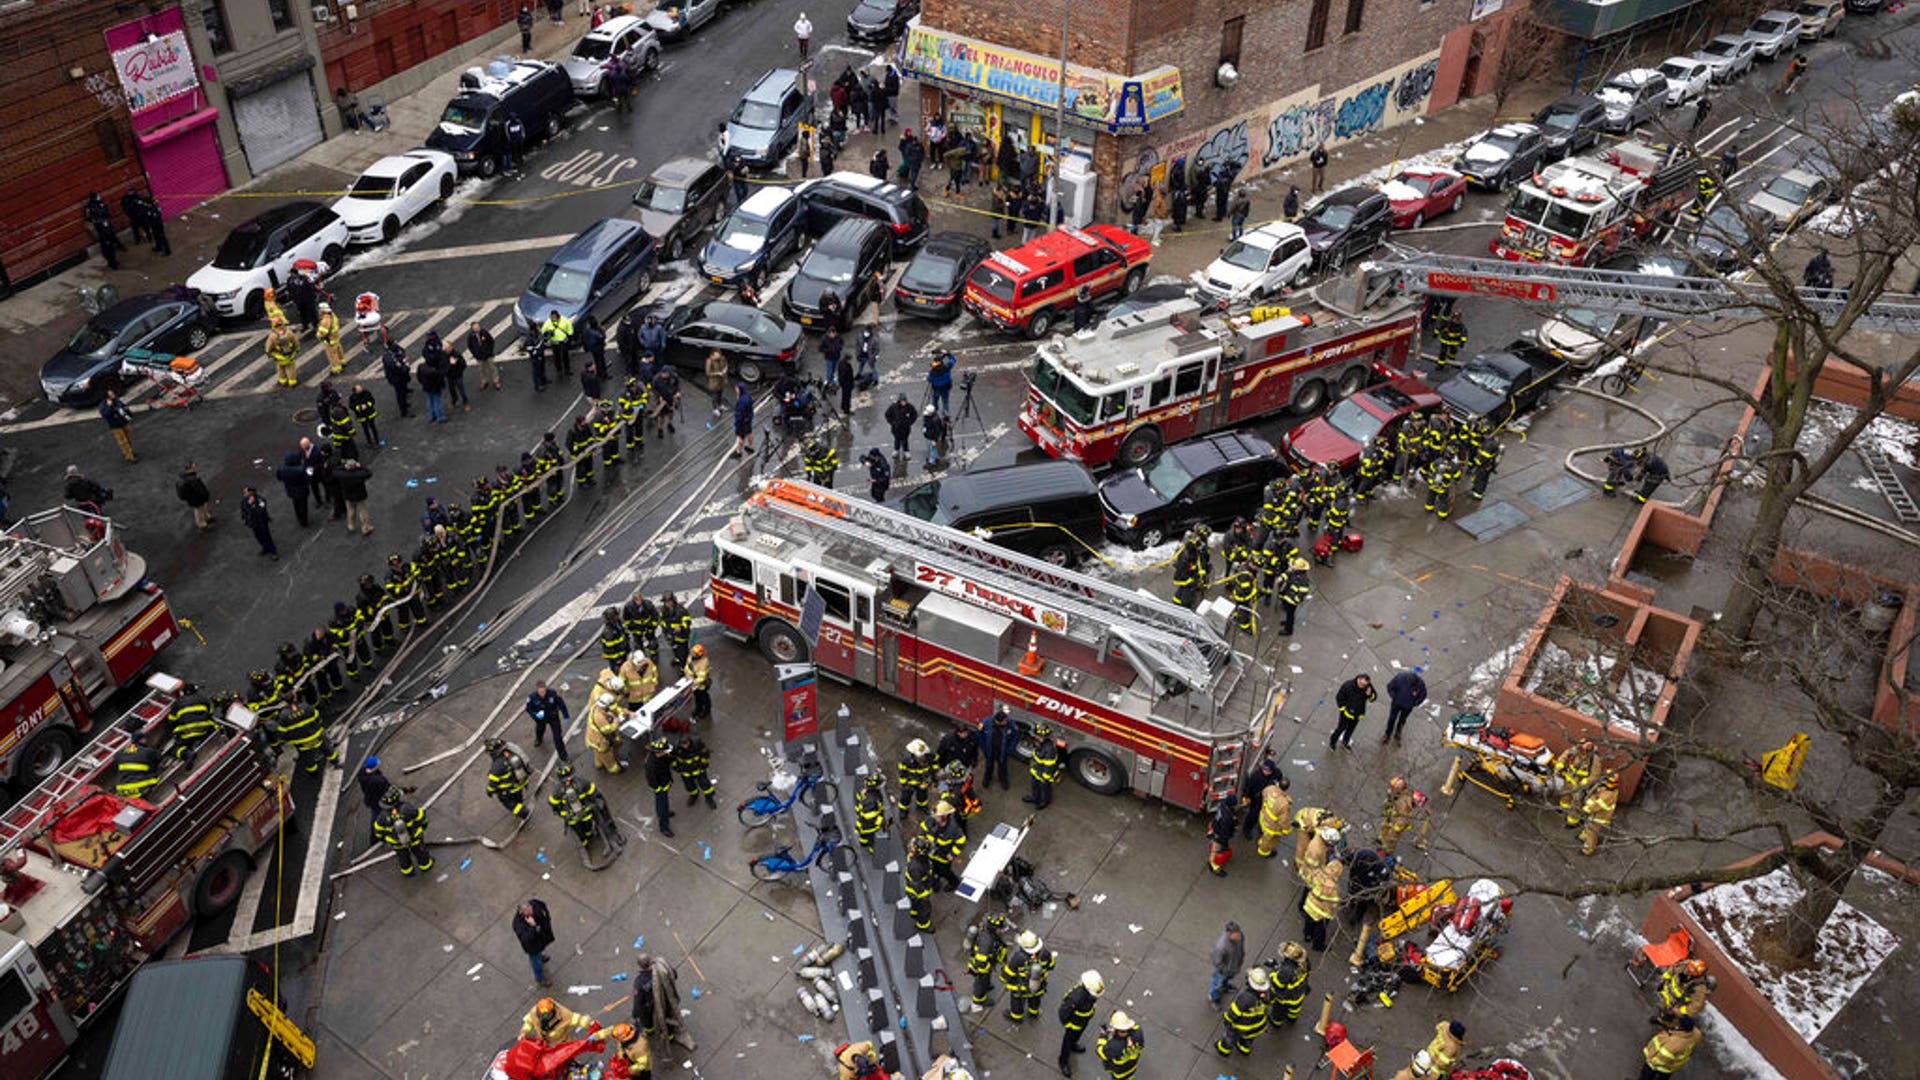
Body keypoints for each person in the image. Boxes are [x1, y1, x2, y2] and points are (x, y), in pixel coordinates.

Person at [373, 787, 433, 875]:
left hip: (396, 843)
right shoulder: (406, 809)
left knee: (403, 857)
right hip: (414, 838)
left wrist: (384, 839)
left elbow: (378, 832)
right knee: (421, 853)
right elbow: (420, 817)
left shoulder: (382, 817)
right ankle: (426, 866)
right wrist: (424, 825)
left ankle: (407, 871)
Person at [1215, 965, 1270, 1056]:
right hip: (1258, 1025)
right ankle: (1244, 1049)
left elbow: (1234, 1012)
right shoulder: (1265, 994)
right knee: (1248, 1039)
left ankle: (1223, 1050)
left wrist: (1227, 1019)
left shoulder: (1246, 998)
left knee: (1230, 1038)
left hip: (1241, 1027)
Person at [1002, 929, 1055, 1023]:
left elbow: (1008, 973)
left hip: (1020, 988)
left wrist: (1003, 979)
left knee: (1017, 1002)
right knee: (1035, 1000)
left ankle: (1016, 1017)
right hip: (1038, 985)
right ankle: (1033, 1013)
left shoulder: (1018, 958)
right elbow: (1051, 966)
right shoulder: (1045, 953)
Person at [1057, 969, 1103, 1076]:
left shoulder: (1091, 992)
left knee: (1077, 1036)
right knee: (1067, 1041)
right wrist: (1067, 1025)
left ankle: (1074, 1045)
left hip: (1082, 1021)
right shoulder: (1076, 997)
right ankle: (1063, 1061)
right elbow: (1063, 1012)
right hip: (1074, 1024)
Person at [1391, 1020, 1466, 1080]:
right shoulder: (1452, 1047)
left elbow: (1439, 1026)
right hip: (1434, 1070)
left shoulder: (1444, 1026)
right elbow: (1441, 1064)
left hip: (1426, 1056)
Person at [1302, 854, 1342, 951]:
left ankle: (1307, 936)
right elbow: (1334, 903)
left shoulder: (1318, 872)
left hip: (1310, 904)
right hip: (1322, 911)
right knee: (1320, 929)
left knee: (1308, 922)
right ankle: (1318, 945)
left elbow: (1309, 883)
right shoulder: (1333, 887)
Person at [487, 738, 532, 822]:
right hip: (520, 784)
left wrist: (489, 791)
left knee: (508, 803)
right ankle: (521, 807)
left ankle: (523, 812)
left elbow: (493, 782)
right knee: (518, 798)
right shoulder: (511, 753)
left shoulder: (497, 766)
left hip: (508, 789)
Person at [514, 899, 556, 987]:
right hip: (533, 946)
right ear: (522, 912)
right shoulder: (518, 924)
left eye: (531, 909)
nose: (531, 912)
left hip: (541, 938)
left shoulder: (535, 904)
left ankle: (542, 956)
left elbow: (543, 905)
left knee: (542, 948)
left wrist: (547, 917)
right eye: (528, 912)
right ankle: (540, 979)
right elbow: (526, 939)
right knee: (536, 962)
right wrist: (533, 927)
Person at [521, 996, 591, 1046]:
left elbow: (577, 1019)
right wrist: (524, 1032)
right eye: (543, 1015)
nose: (545, 1017)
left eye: (547, 1014)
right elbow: (529, 1022)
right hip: (543, 1041)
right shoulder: (534, 1012)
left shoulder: (563, 1014)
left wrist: (589, 1023)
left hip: (561, 1042)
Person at [1331, 674, 1376, 750]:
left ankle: (1345, 741)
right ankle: (1332, 742)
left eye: (1364, 685)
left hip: (1358, 713)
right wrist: (1343, 710)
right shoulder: (1348, 686)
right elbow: (1339, 697)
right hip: (1346, 713)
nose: (1362, 687)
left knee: (1351, 729)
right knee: (1341, 728)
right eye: (1362, 684)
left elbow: (1374, 697)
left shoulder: (1368, 687)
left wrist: (1369, 695)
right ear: (1358, 679)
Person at [1579, 773, 1619, 855]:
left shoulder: (1608, 795)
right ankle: (1584, 837)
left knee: (1592, 833)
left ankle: (1588, 850)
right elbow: (1596, 797)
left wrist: (1586, 808)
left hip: (1600, 818)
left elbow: (1596, 806)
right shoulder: (1608, 790)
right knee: (1588, 826)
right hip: (1596, 815)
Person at [644, 735, 676, 836]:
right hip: (660, 787)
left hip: (664, 782)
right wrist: (658, 789)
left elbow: (668, 761)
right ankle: (664, 827)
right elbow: (651, 779)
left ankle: (665, 813)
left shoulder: (661, 756)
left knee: (663, 803)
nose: (666, 753)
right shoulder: (651, 764)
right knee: (662, 804)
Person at [1095, 1012, 1142, 1080]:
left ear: (1117, 1030)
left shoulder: (1114, 1046)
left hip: (1119, 1075)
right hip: (1131, 1069)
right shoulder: (1138, 1032)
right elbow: (1133, 1028)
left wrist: (1103, 1036)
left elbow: (1099, 1051)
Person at [1383, 670, 1427, 744]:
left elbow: (1423, 695)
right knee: (1392, 719)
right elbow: (1390, 687)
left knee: (1402, 720)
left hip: (1408, 707)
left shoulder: (1420, 684)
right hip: (1396, 704)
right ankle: (1387, 734)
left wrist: (1415, 703)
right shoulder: (1399, 678)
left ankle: (1398, 732)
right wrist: (1394, 697)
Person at [1255, 775, 1294, 858]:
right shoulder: (1284, 804)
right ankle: (1264, 852)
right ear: (1287, 788)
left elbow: (1263, 793)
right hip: (1272, 826)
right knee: (1269, 841)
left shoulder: (1270, 788)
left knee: (1263, 834)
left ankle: (1261, 842)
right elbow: (1283, 820)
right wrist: (1287, 830)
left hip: (1263, 817)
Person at [333, 457, 374, 535]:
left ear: (347, 466)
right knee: (363, 511)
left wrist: (343, 466)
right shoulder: (359, 474)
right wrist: (360, 466)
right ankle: (366, 528)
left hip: (348, 495)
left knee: (351, 511)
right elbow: (369, 472)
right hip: (359, 495)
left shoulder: (343, 475)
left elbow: (335, 471)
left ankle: (351, 526)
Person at [1025, 723, 1062, 808]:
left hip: (1044, 775)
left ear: (1043, 737)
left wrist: (1045, 778)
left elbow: (1049, 765)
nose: (1035, 737)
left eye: (1037, 736)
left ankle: (1045, 802)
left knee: (1045, 789)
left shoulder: (1049, 749)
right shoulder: (1039, 743)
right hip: (1036, 770)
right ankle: (1034, 797)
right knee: (1034, 785)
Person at [1209, 921, 1244, 1008]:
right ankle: (1215, 999)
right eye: (1236, 934)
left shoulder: (1240, 937)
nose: (1239, 936)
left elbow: (1241, 949)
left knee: (1227, 979)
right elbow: (1217, 962)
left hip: (1233, 966)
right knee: (1216, 984)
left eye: (1239, 933)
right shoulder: (1221, 947)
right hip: (1223, 971)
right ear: (1229, 934)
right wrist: (1225, 971)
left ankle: (1225, 986)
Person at [904, 835, 936, 930]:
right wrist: (924, 895)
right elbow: (917, 884)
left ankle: (914, 912)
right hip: (919, 892)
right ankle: (923, 925)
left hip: (915, 890)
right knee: (924, 908)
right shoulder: (917, 866)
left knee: (915, 904)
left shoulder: (916, 859)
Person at [980, 705, 1016, 789]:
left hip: (1002, 751)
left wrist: (1010, 749)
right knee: (989, 765)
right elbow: (979, 735)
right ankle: (987, 779)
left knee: (1002, 767)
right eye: (1004, 721)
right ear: (998, 721)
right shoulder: (985, 722)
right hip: (990, 750)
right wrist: (984, 748)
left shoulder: (1010, 723)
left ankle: (1003, 780)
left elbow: (1016, 736)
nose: (1006, 722)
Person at [238, 486, 278, 560]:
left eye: (245, 492)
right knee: (258, 536)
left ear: (251, 492)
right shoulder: (244, 500)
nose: (244, 494)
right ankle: (265, 547)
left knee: (267, 537)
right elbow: (243, 510)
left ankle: (273, 552)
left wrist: (250, 506)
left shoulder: (261, 500)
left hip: (261, 522)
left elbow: (260, 512)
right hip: (253, 523)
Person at [83, 192, 121, 269]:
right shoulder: (89, 207)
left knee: (110, 244)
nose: (99, 197)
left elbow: (106, 212)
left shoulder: (100, 204)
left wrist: (106, 221)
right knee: (107, 246)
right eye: (97, 196)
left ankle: (113, 260)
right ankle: (112, 263)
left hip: (106, 227)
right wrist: (100, 221)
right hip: (100, 229)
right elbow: (89, 218)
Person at [1206, 791, 1238, 876]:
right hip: (1218, 835)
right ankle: (1214, 866)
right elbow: (1224, 833)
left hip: (1215, 828)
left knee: (1218, 848)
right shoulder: (1226, 819)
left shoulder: (1223, 805)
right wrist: (1223, 841)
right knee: (1216, 851)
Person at [730, 382, 754, 458]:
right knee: (749, 432)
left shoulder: (742, 401)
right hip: (748, 419)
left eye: (737, 389)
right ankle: (751, 447)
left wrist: (736, 424)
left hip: (742, 421)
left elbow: (739, 414)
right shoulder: (748, 396)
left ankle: (738, 452)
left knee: (740, 436)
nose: (735, 390)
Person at [922, 404, 949, 468]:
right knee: (932, 449)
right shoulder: (928, 417)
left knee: (932, 450)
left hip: (931, 437)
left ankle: (932, 462)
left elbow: (937, 432)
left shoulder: (935, 420)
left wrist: (934, 440)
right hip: (928, 436)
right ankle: (935, 457)